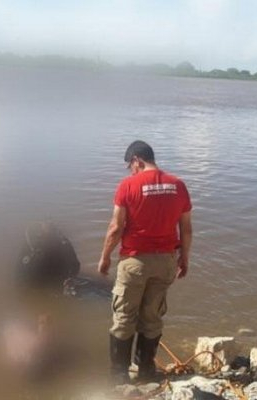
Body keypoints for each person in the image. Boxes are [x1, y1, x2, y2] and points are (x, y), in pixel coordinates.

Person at [97, 140, 192, 383]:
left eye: (130, 165)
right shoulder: (178, 185)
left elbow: (116, 228)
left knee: (124, 317)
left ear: (137, 160)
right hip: (166, 262)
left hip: (135, 261)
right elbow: (186, 229)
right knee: (152, 316)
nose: (130, 170)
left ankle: (119, 376)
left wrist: (105, 257)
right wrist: (185, 259)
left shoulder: (127, 185)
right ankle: (147, 371)